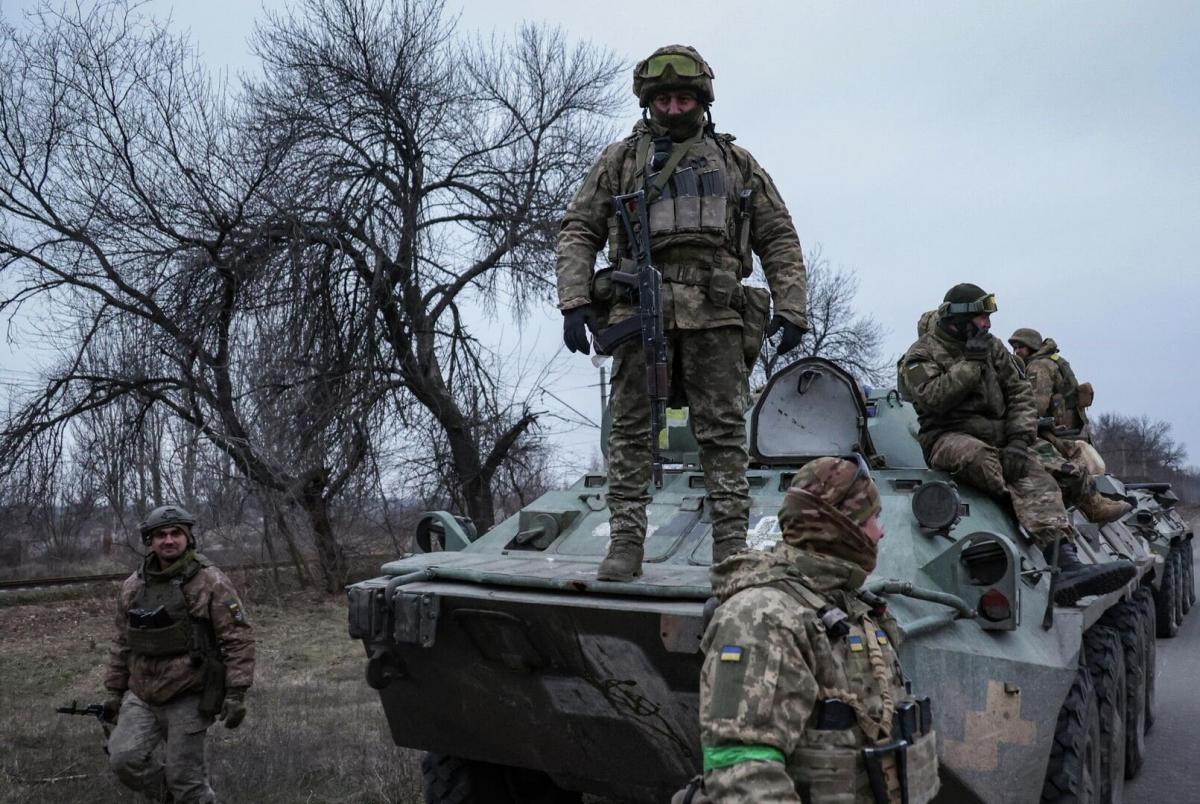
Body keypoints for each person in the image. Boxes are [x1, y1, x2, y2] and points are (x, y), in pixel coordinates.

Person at [556, 44, 808, 580]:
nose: (674, 108)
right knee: (629, 431)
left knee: (721, 433)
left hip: (715, 315)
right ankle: (625, 542)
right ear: (650, 102)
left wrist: (792, 307)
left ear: (702, 100)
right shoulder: (621, 161)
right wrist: (575, 301)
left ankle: (730, 548)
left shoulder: (736, 163)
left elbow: (778, 237)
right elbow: (579, 229)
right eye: (664, 99)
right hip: (638, 310)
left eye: (683, 98)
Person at [694, 457, 939, 804]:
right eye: (870, 519)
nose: (879, 532)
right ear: (840, 529)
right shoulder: (764, 617)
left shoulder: (846, 603)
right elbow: (743, 775)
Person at [900, 284, 1135, 606]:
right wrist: (970, 364)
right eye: (983, 318)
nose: (989, 325)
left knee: (1038, 473)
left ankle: (1067, 567)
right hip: (948, 436)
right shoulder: (921, 354)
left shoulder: (993, 347)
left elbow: (1020, 393)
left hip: (1001, 437)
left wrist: (1017, 440)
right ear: (959, 318)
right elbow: (933, 399)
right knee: (981, 461)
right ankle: (1017, 513)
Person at [102, 505, 255, 803]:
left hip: (190, 693)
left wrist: (236, 693)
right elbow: (122, 641)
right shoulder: (134, 585)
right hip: (142, 693)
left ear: (187, 538)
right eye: (161, 535)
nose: (168, 540)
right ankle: (170, 798)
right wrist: (113, 691)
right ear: (151, 540)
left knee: (186, 780)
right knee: (123, 760)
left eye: (175, 534)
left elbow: (238, 638)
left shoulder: (210, 581)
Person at [1007, 328, 1093, 434]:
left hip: (1058, 427)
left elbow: (1037, 405)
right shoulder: (1050, 360)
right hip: (1068, 424)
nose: (1017, 351)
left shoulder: (1038, 366)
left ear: (1032, 346)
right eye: (1015, 348)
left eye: (1021, 347)